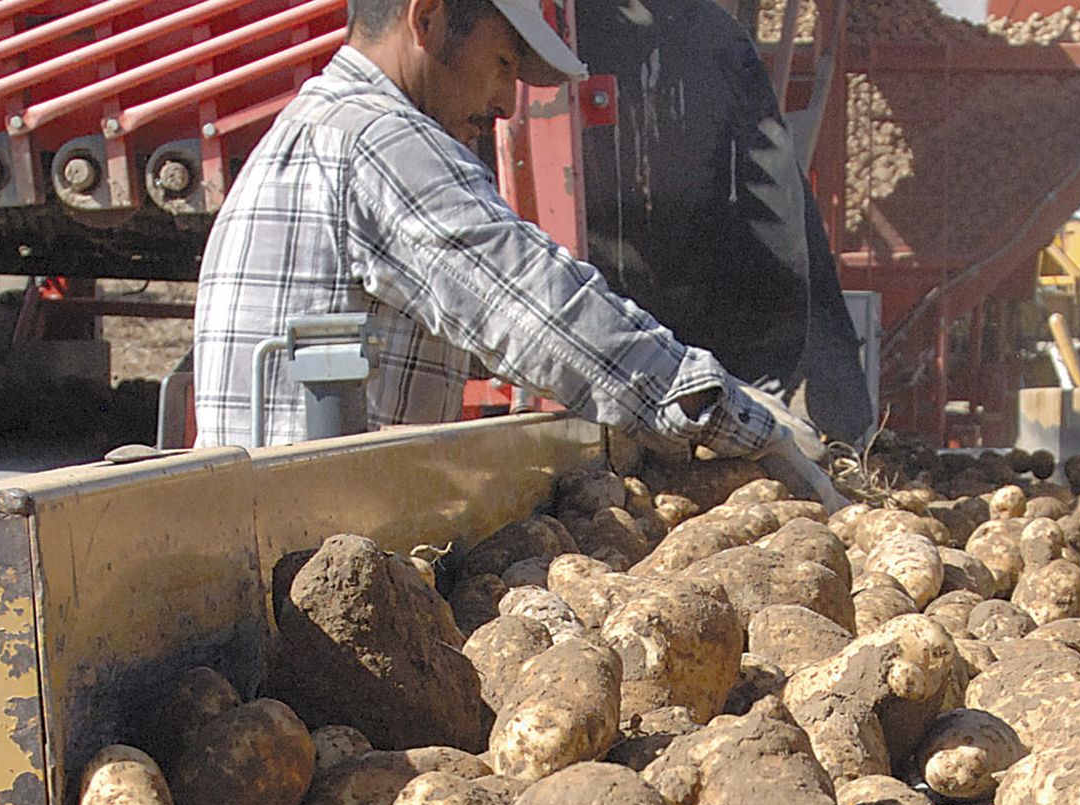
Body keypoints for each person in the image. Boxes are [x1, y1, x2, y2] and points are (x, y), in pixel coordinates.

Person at [191, 0, 825, 485]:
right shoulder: (379, 140)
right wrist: (737, 419)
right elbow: (540, 313)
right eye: (502, 64)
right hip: (308, 544)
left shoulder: (314, 126)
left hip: (284, 527)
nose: (505, 102)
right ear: (429, 18)